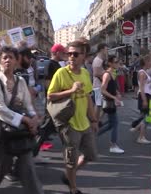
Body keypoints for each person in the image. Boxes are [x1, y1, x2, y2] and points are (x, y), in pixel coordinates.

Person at [0, 46, 43, 194]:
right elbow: (0, 109)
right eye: (5, 57)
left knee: (28, 168)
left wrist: (34, 117)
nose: (8, 60)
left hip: (20, 132)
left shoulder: (21, 81)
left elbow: (28, 104)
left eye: (11, 57)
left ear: (17, 61)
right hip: (1, 130)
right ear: (0, 61)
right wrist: (26, 120)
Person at [47, 40, 98, 194]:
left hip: (84, 122)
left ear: (83, 56)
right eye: (69, 54)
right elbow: (50, 96)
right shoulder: (61, 73)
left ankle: (68, 175)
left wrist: (94, 119)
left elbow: (88, 97)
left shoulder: (84, 73)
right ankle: (73, 188)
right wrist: (71, 90)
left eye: (75, 54)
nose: (71, 57)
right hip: (68, 123)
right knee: (71, 161)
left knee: (90, 155)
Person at [33, 44, 66, 157]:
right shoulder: (51, 64)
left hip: (57, 99)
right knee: (47, 126)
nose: (64, 55)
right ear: (56, 52)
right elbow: (48, 84)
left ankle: (70, 147)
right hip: (53, 100)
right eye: (63, 53)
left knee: (55, 125)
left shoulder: (56, 64)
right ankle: (33, 150)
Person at [97, 55, 124, 154]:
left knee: (111, 124)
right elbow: (102, 90)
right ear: (110, 63)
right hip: (108, 102)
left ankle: (93, 135)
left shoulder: (114, 73)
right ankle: (113, 145)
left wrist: (117, 93)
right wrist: (114, 97)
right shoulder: (107, 74)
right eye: (116, 62)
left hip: (111, 102)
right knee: (115, 123)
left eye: (118, 62)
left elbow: (112, 87)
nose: (117, 64)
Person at [130, 55, 151, 144]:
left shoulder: (144, 72)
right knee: (147, 116)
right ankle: (141, 137)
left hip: (147, 95)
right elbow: (142, 87)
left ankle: (136, 129)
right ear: (146, 62)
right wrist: (144, 100)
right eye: (150, 61)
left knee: (146, 116)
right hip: (144, 95)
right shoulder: (142, 73)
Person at [92, 43, 108, 120]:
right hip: (98, 85)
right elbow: (96, 73)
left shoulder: (100, 60)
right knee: (98, 104)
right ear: (101, 49)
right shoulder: (98, 60)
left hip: (100, 85)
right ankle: (95, 120)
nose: (107, 51)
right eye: (106, 49)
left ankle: (97, 120)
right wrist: (106, 73)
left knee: (100, 104)